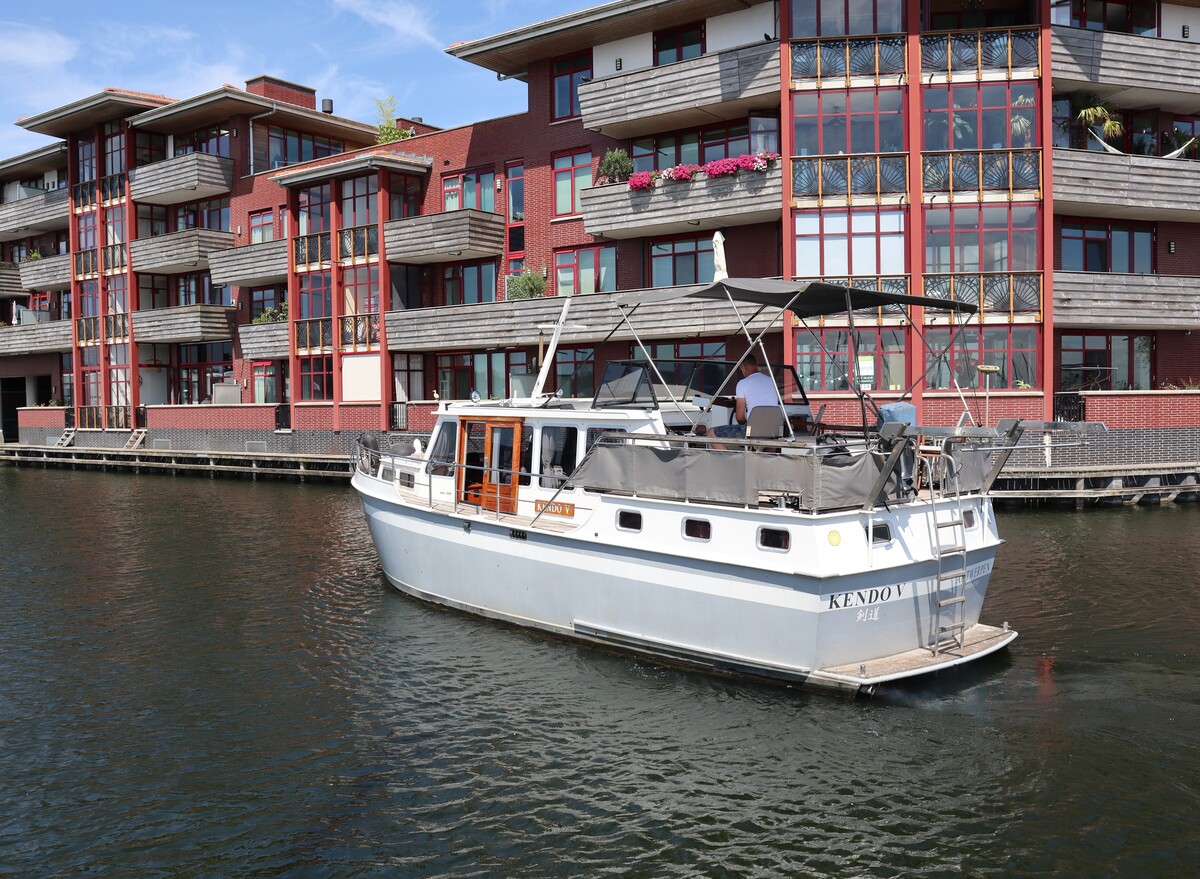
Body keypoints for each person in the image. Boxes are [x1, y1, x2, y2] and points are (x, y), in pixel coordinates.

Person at [712, 354, 781, 439]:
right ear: (756, 364)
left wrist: (748, 423)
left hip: (753, 430)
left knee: (711, 433)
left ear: (743, 367)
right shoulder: (771, 380)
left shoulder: (743, 383)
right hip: (773, 430)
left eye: (741, 369)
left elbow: (740, 418)